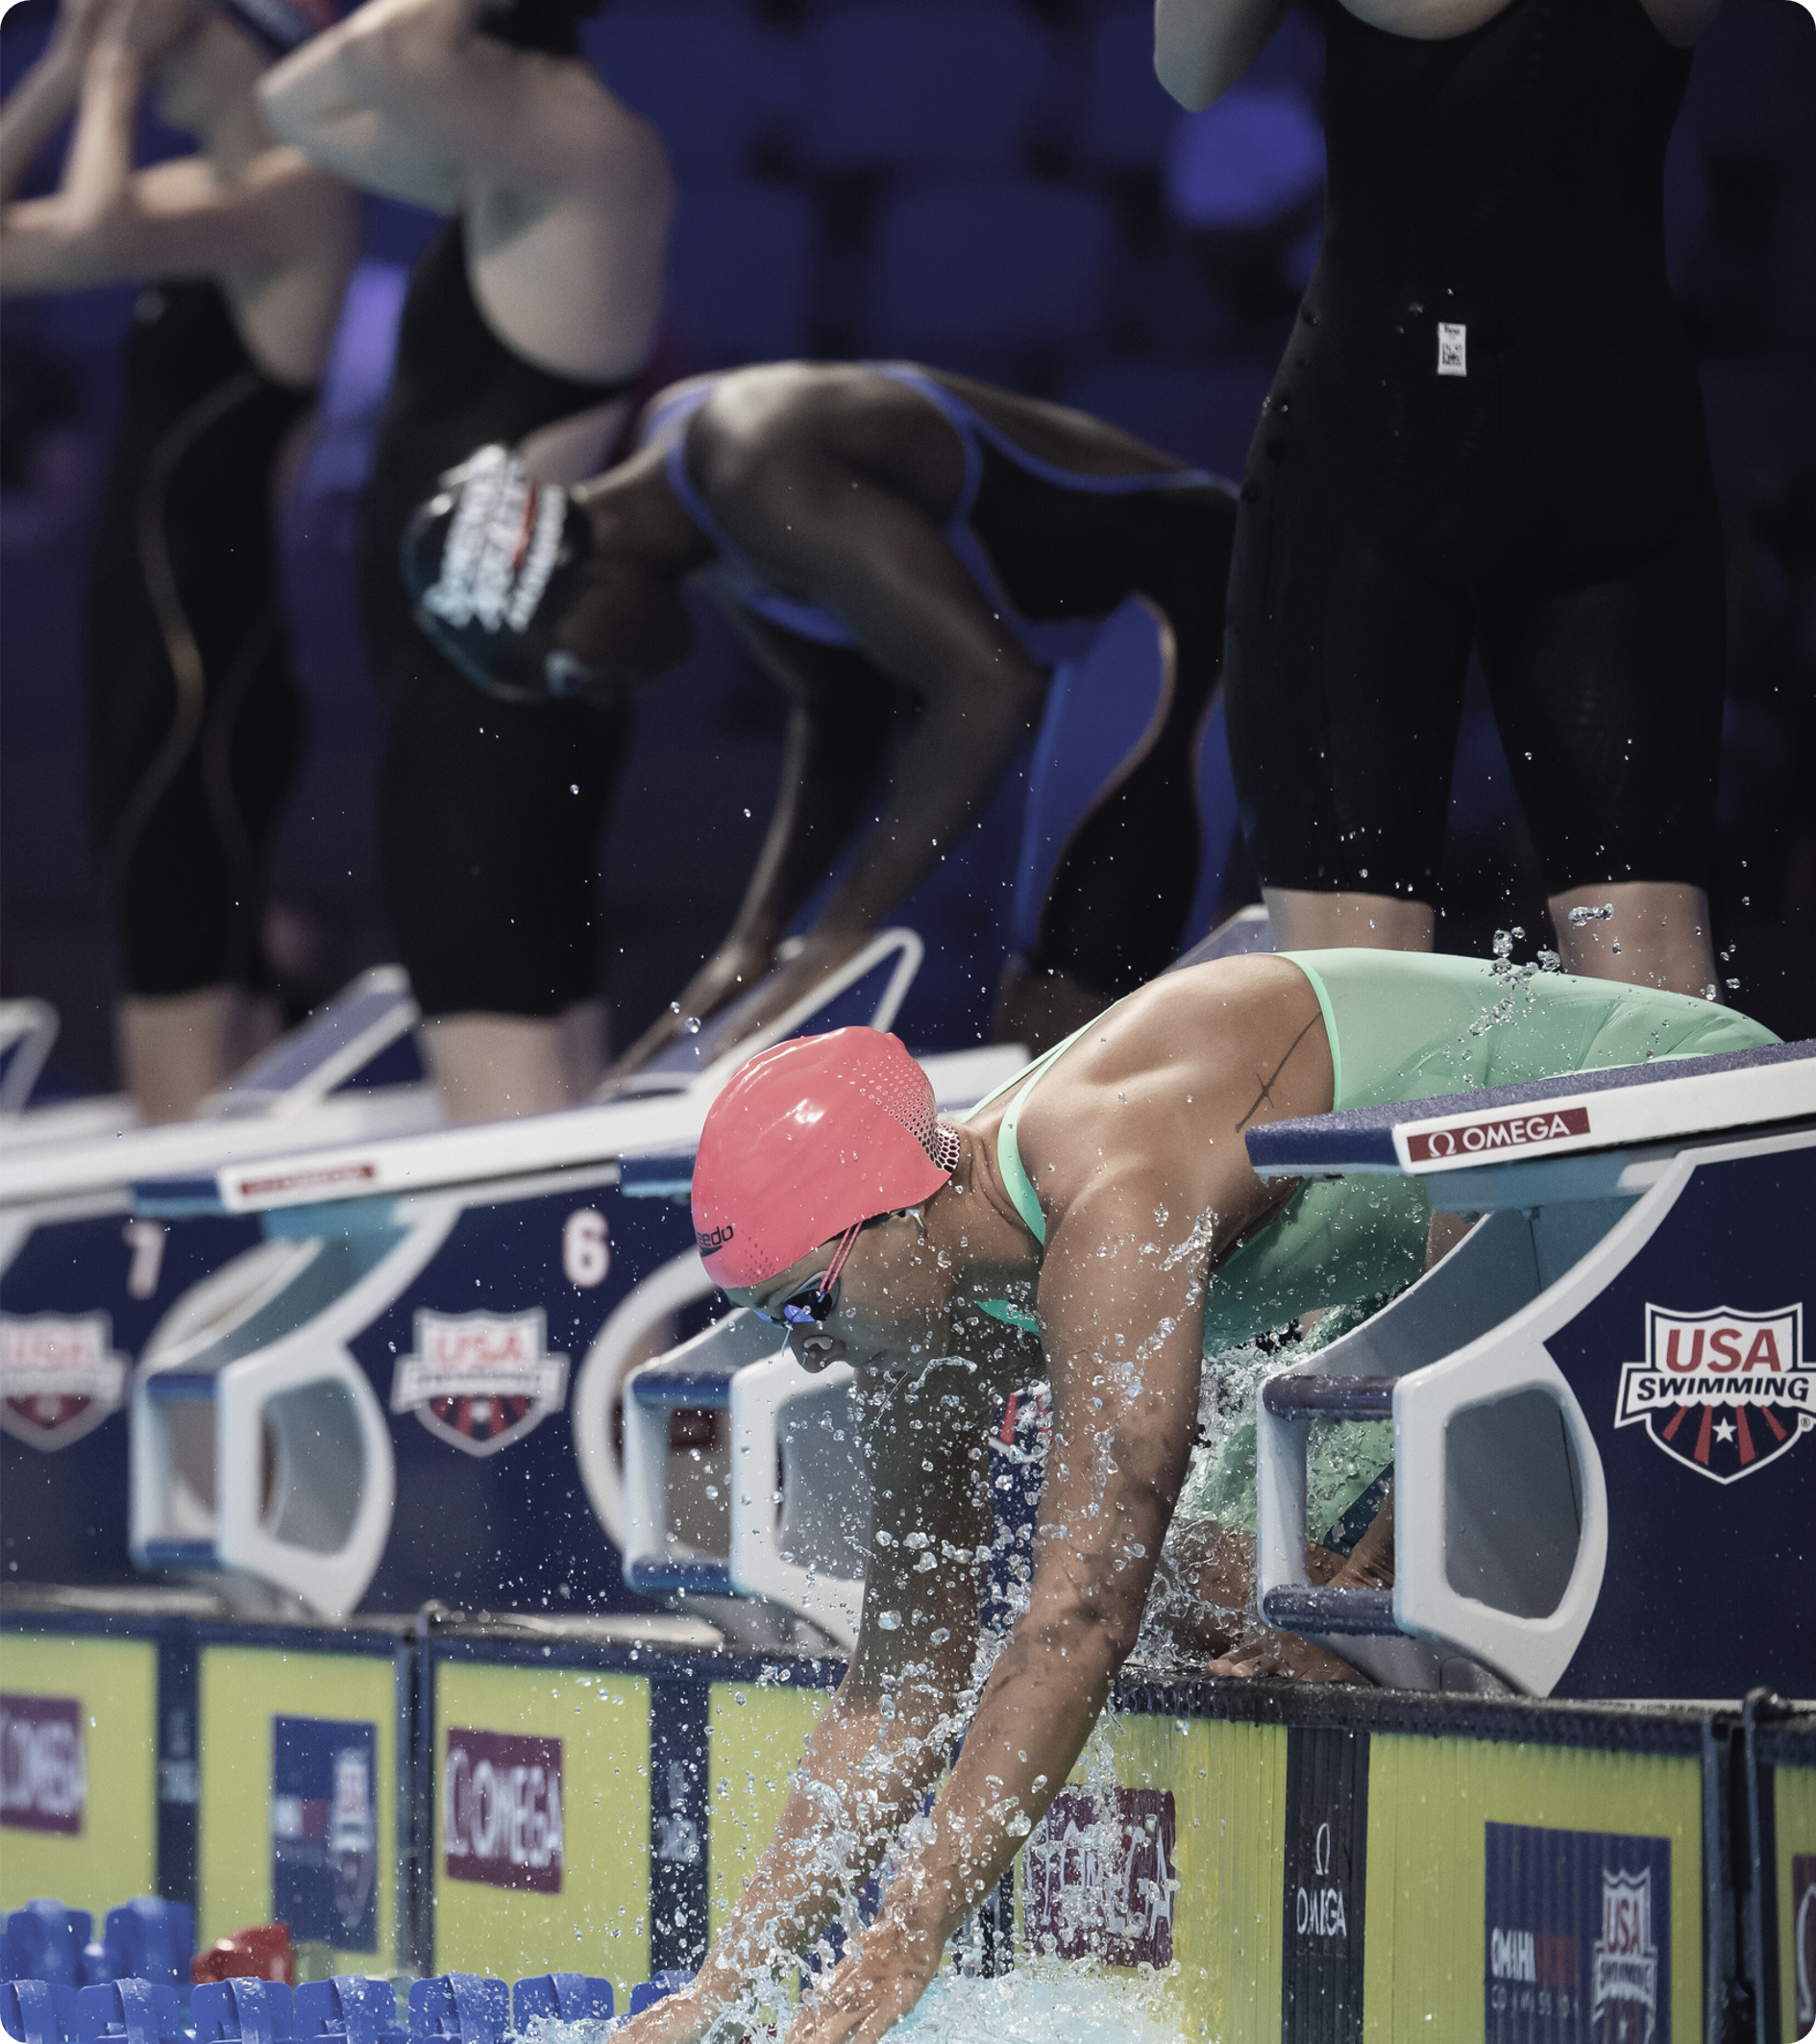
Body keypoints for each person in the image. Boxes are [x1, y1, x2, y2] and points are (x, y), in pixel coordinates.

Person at [624, 949, 1773, 2044]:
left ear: (898, 1207)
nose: (812, 1357)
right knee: (1196, 1583)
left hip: (1663, 1128)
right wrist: (730, 1986)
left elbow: (1078, 1623)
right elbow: (902, 1677)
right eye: (775, 1322)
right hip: (1471, 1220)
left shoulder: (1109, 1192)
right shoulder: (919, 1316)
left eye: (806, 1305)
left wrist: (907, 1936)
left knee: (1197, 1592)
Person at [401, 361, 1240, 1068]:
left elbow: (987, 688)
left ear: (586, 572)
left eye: (569, 670)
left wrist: (840, 934)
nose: (600, 691)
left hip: (1188, 596)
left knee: (1065, 1018)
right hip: (1110, 636)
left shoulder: (749, 462)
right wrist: (758, 943)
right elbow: (844, 707)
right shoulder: (697, 491)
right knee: (1054, 1028)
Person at [1156, 0, 1729, 997]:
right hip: (1624, 423)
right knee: (1655, 990)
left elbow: (1189, 69)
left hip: (1386, 427)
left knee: (1358, 994)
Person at [258, 0, 672, 1121]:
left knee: (506, 1083)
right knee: (542, 1070)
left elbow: (378, 55)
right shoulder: (515, 166)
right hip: (490, 674)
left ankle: (555, 1300)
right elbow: (294, 101)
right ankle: (594, 1296)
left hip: (490, 682)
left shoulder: (585, 144)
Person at [0, 0, 356, 1120]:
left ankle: (185, 1248)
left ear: (242, 36)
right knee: (187, 940)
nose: (146, 40)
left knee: (179, 950)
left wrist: (106, 74)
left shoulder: (302, 192)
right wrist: (63, 70)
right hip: (157, 642)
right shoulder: (212, 196)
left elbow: (98, 230)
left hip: (205, 648)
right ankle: (216, 1242)